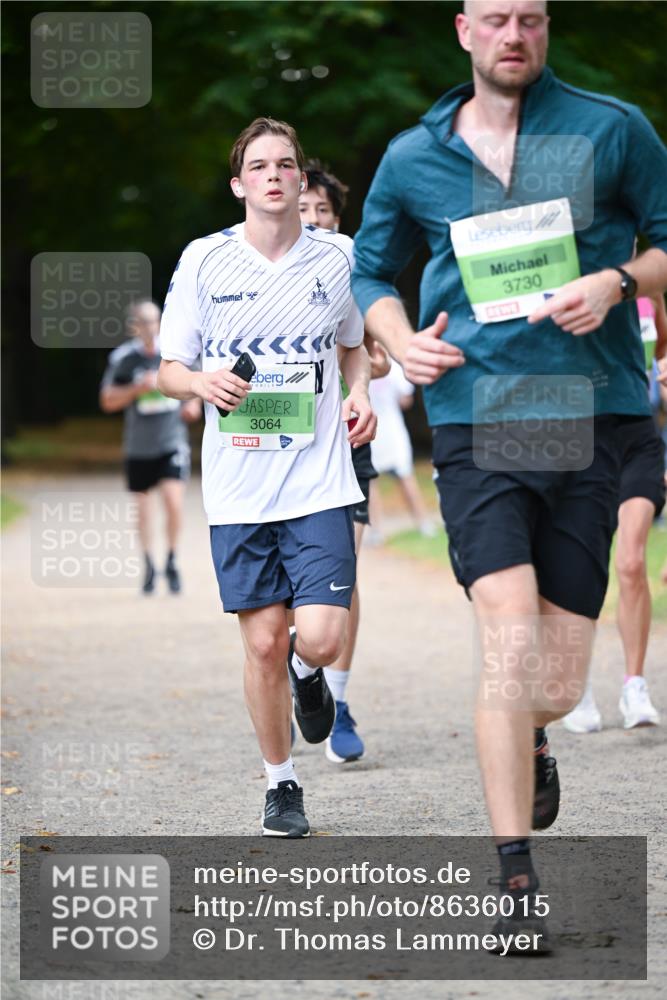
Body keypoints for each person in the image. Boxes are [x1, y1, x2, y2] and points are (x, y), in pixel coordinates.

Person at [352, 0, 667, 947]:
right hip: (476, 419)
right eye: (495, 19)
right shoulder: (414, 155)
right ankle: (515, 882)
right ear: (463, 31)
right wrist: (399, 339)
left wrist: (615, 282)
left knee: (558, 684)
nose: (513, 35)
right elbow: (370, 272)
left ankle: (534, 732)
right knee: (505, 634)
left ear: (544, 29)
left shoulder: (610, 128)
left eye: (528, 18)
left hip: (592, 412)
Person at [157, 118, 376, 838]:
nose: (275, 175)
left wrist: (360, 393)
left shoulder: (337, 258)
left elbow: (355, 347)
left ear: (302, 180)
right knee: (259, 644)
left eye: (287, 164)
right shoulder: (203, 260)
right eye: (260, 165)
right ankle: (281, 784)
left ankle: (310, 676)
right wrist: (200, 382)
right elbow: (168, 369)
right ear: (239, 182)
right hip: (238, 486)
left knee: (313, 637)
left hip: (317, 481)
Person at [298, 158, 390, 764]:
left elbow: (379, 358)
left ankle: (340, 700)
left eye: (322, 212)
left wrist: (360, 372)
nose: (311, 220)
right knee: (288, 591)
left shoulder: (351, 271)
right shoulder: (246, 271)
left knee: (344, 576)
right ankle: (301, 667)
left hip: (345, 443)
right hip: (278, 448)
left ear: (338, 217)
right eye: (302, 210)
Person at [564, 293, 666, 733]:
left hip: (637, 436)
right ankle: (577, 688)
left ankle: (634, 686)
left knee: (630, 561)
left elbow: (661, 348)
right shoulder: (571, 280)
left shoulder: (646, 286)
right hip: (581, 437)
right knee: (583, 569)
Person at [99, 299, 201, 594]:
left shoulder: (173, 354)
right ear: (134, 326)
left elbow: (196, 382)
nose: (150, 327)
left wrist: (193, 405)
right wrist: (137, 388)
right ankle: (148, 563)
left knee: (173, 503)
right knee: (144, 511)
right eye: (143, 322)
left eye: (154, 321)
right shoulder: (123, 359)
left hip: (172, 441)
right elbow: (107, 400)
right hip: (139, 447)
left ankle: (171, 558)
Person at [368, 359, 437, 538]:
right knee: (405, 476)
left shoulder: (355, 362)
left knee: (371, 482)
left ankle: (377, 530)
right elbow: (406, 399)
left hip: (370, 427)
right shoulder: (392, 366)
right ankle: (423, 522)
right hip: (391, 427)